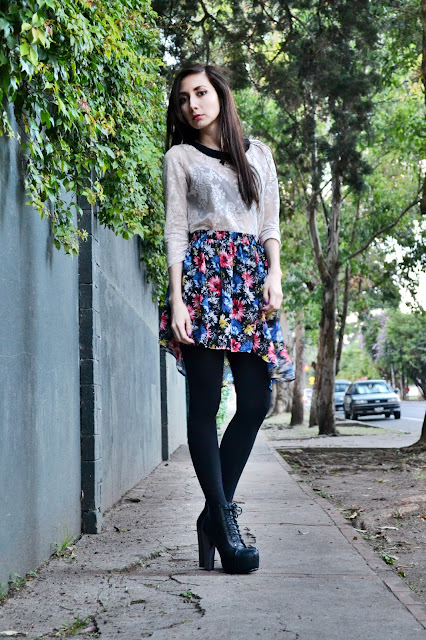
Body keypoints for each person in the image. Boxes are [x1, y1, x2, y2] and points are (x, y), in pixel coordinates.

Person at [159, 64, 294, 574]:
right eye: (183, 99)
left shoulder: (259, 154)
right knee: (205, 404)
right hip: (202, 281)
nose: (192, 105)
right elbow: (176, 230)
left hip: (250, 283)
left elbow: (269, 222)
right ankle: (223, 519)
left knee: (257, 400)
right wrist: (177, 300)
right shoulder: (180, 157)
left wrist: (274, 273)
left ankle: (213, 517)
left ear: (220, 94)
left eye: (200, 93)